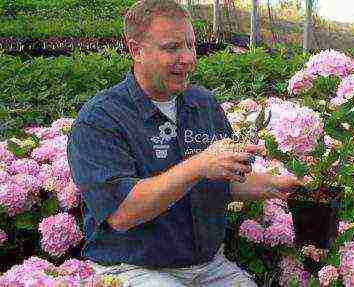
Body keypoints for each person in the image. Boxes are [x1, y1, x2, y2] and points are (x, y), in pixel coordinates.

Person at [67, 1, 302, 286]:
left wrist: (277, 186)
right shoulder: (100, 120)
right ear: (136, 50)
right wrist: (199, 165)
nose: (189, 58)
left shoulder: (202, 104)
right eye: (173, 47)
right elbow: (122, 213)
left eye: (191, 45)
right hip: (129, 267)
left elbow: (226, 180)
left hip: (208, 267)